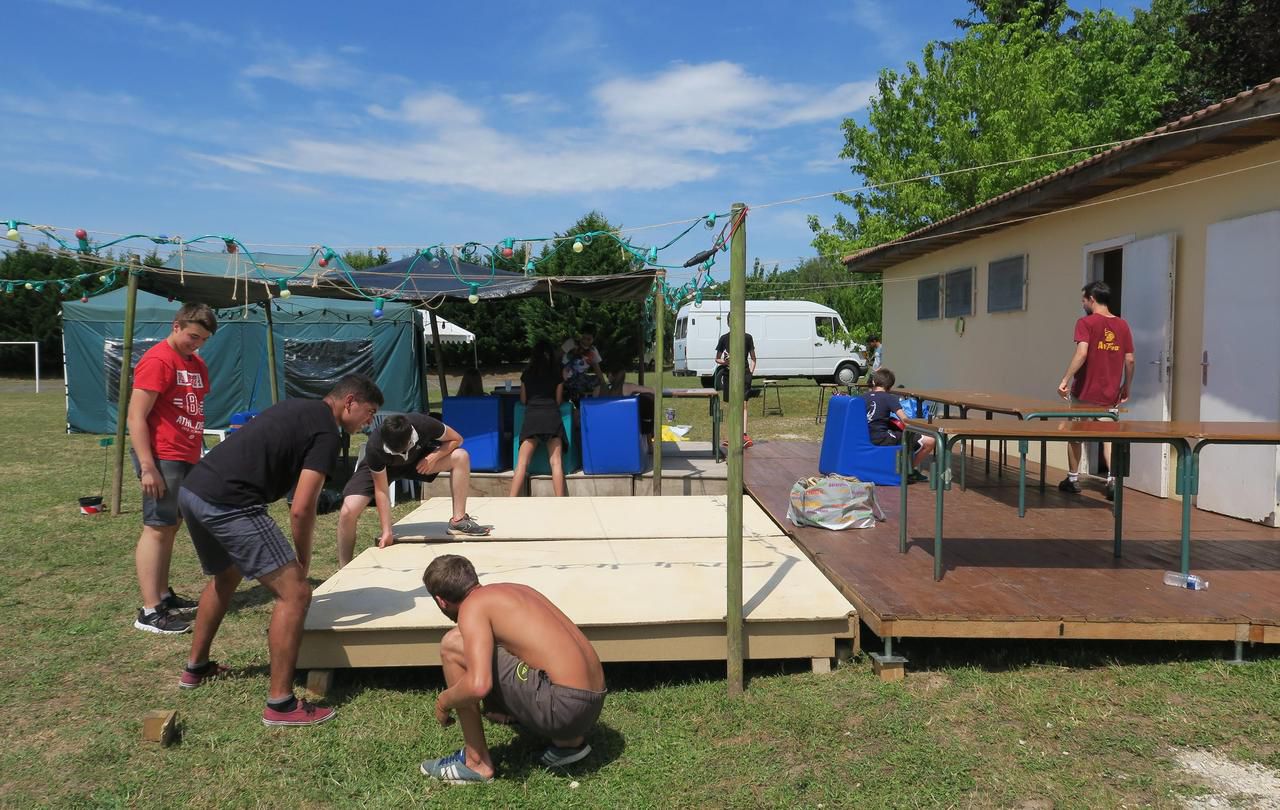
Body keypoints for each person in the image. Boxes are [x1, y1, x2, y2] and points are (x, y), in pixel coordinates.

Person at [176, 374, 384, 727]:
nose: (369, 422)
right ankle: (281, 704)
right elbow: (302, 507)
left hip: (194, 491)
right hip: (230, 502)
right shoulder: (325, 434)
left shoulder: (297, 408)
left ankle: (195, 668)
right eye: (369, 412)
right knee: (295, 594)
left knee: (226, 576)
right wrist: (301, 562)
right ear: (349, 402)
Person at [419, 554, 607, 784]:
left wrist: (443, 701)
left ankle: (475, 761)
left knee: (453, 644)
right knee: (490, 642)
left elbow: (479, 685)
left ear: (441, 601)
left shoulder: (472, 607)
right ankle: (568, 743)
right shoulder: (513, 590)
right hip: (593, 701)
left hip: (564, 708)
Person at [128, 302, 218, 634]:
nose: (197, 344)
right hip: (162, 455)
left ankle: (163, 595)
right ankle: (150, 611)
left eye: (203, 340)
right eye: (193, 336)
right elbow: (136, 417)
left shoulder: (196, 364)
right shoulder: (157, 361)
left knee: (170, 525)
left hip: (186, 454)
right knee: (156, 526)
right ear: (176, 325)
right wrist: (148, 466)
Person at [337, 413, 487, 567]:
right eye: (395, 452)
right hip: (385, 469)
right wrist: (387, 531)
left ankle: (458, 520)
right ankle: (344, 568)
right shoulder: (375, 447)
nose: (402, 455)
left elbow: (457, 439)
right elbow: (381, 490)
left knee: (461, 456)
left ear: (411, 437)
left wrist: (433, 457)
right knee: (348, 512)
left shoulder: (423, 424)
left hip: (419, 462)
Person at [1056, 280, 1135, 501]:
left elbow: (1082, 353)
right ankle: (1112, 480)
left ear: (1092, 299)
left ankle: (1072, 479)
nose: (1082, 303)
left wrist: (1065, 378)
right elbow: (1130, 360)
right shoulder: (1123, 325)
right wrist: (1126, 385)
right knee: (1108, 437)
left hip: (1084, 391)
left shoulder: (1085, 323)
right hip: (1109, 394)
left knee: (1076, 435)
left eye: (1083, 299)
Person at [510, 340, 567, 498]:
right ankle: (560, 501)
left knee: (521, 463)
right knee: (556, 463)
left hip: (532, 419)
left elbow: (523, 400)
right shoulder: (557, 375)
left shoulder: (526, 375)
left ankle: (510, 501)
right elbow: (558, 401)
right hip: (551, 418)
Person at [865, 368, 935, 481]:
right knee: (929, 441)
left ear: (873, 382)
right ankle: (909, 471)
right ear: (890, 386)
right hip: (881, 438)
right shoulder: (889, 398)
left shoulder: (862, 398)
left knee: (902, 434)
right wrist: (920, 429)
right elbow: (905, 421)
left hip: (866, 436)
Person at [714, 328, 757, 448]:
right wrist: (726, 362)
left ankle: (744, 435)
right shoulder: (724, 338)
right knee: (732, 405)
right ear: (728, 323)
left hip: (744, 374)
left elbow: (753, 358)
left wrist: (750, 373)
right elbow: (717, 358)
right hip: (729, 375)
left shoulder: (747, 337)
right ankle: (732, 434)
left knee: (743, 403)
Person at [561, 324, 604, 401]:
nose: (585, 341)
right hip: (564, 375)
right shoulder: (571, 343)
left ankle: (591, 403)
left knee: (598, 381)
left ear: (593, 339)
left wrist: (603, 383)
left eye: (589, 339)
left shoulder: (593, 350)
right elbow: (557, 356)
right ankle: (572, 394)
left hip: (579, 378)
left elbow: (597, 369)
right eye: (583, 338)